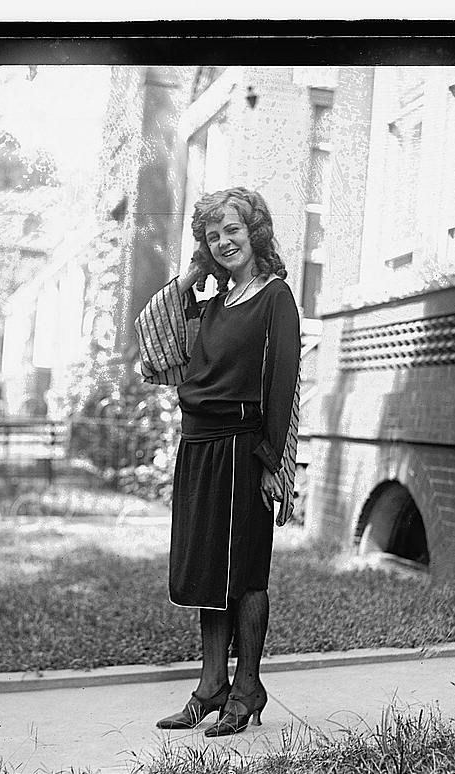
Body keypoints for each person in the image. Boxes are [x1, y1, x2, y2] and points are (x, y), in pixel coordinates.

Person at [134, 187, 301, 737]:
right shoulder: (207, 307)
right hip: (198, 449)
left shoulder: (275, 297)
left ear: (254, 232)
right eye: (212, 236)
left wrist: (275, 461)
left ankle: (248, 686)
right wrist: (192, 272)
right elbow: (153, 340)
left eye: (232, 229)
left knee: (245, 572)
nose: (224, 241)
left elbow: (282, 385)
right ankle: (211, 687)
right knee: (208, 572)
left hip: (241, 448)